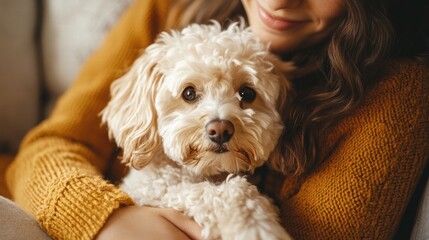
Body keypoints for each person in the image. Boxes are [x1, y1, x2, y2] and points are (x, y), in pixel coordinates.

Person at [5, 0, 428, 239]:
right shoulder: (167, 10)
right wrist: (109, 220)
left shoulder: (398, 93)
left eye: (247, 95)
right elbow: (50, 146)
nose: (280, 0)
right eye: (189, 94)